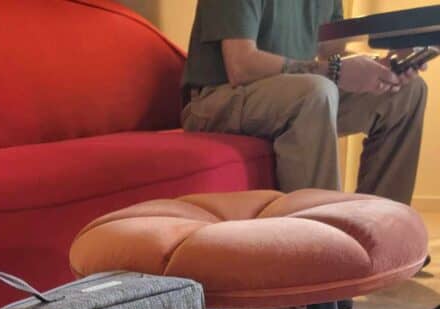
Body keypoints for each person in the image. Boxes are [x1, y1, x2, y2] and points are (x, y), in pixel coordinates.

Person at [182, 0, 429, 205]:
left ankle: (382, 233)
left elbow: (331, 53)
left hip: (295, 94)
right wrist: (335, 70)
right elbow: (240, 65)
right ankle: (325, 242)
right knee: (317, 90)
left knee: (406, 92)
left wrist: (380, 66)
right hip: (217, 99)